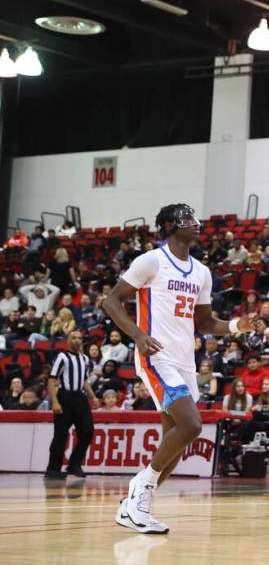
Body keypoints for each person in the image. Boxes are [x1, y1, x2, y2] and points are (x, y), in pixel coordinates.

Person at [103, 204, 257, 534]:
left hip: (185, 361)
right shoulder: (151, 261)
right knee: (191, 425)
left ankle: (133, 509)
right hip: (156, 356)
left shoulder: (201, 271)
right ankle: (139, 488)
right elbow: (111, 301)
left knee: (174, 443)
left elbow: (203, 322)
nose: (196, 223)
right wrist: (138, 335)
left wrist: (236, 326)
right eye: (187, 218)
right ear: (171, 226)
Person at [44, 330, 96, 479]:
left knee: (87, 431)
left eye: (80, 338)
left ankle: (74, 464)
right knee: (60, 435)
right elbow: (52, 379)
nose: (77, 340)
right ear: (68, 341)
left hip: (80, 397)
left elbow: (84, 380)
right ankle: (53, 469)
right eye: (74, 338)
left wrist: (93, 396)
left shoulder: (85, 359)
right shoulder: (62, 357)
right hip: (64, 396)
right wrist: (54, 401)